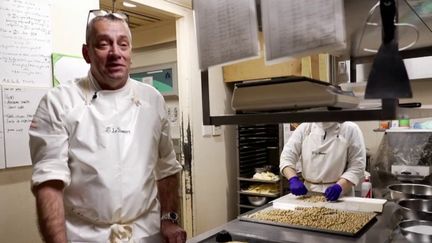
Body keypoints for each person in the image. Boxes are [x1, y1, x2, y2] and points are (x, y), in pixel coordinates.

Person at [29, 10, 186, 243]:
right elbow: (49, 184)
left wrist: (170, 220)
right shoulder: (58, 103)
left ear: (131, 52)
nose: (116, 53)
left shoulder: (152, 100)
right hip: (85, 236)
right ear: (87, 53)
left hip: (147, 233)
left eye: (123, 44)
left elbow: (167, 169)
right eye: (104, 44)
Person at [280, 122, 366, 201]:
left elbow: (358, 165)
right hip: (308, 194)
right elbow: (287, 157)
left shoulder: (350, 129)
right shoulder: (305, 128)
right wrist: (293, 179)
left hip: (341, 195)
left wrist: (339, 187)